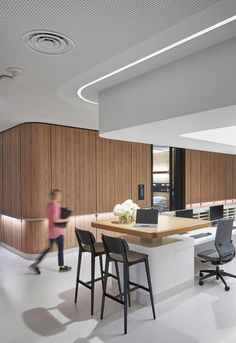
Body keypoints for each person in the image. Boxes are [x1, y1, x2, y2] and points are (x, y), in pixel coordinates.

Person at [30, 189, 72, 274]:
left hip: (51, 232)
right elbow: (55, 220)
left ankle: (36, 263)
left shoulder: (49, 205)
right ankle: (62, 267)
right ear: (56, 196)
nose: (60, 197)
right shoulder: (56, 205)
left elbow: (51, 218)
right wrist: (65, 220)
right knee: (60, 248)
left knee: (48, 248)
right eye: (59, 196)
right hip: (57, 232)